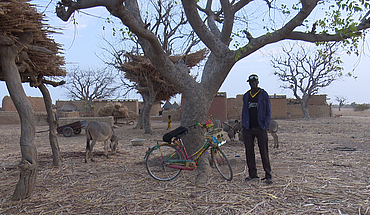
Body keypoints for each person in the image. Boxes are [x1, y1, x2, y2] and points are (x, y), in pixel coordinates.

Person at [241, 74, 273, 185]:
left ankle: (268, 175)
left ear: (258, 82)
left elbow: (268, 112)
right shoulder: (246, 96)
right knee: (249, 152)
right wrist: (244, 125)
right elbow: (244, 111)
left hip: (260, 128)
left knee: (263, 151)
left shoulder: (263, 95)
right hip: (248, 128)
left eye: (254, 82)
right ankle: (252, 174)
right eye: (251, 82)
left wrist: (265, 125)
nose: (253, 84)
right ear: (249, 83)